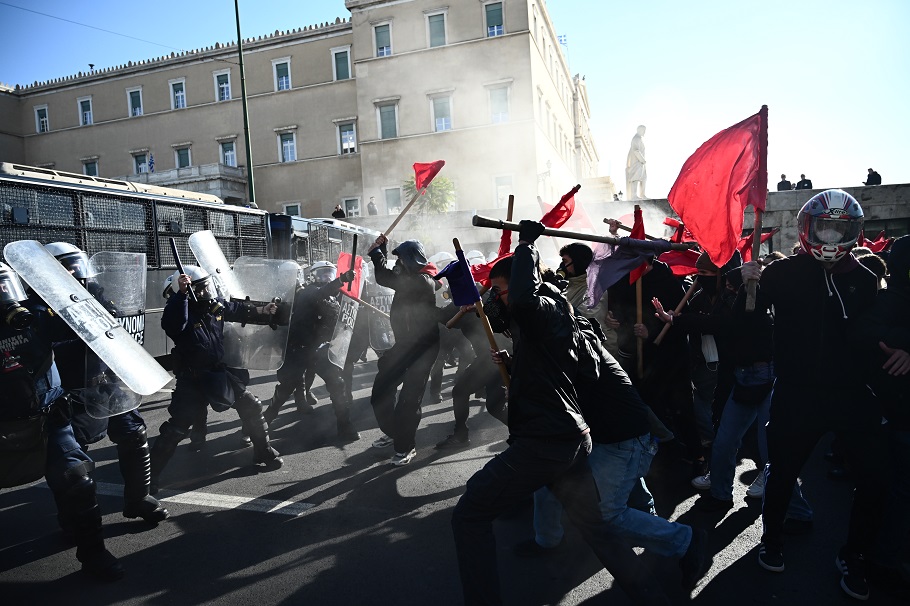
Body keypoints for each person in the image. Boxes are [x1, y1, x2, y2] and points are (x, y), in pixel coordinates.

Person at [451, 221, 691, 606]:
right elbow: (560, 365)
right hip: (567, 438)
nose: (498, 297)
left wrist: (526, 244)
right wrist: (516, 364)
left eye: (500, 290)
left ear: (522, 282)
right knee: (596, 527)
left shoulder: (541, 308)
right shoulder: (554, 316)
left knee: (470, 513)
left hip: (547, 440)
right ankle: (651, 595)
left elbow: (527, 304)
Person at [740, 189, 885, 600]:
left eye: (840, 229)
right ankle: (771, 539)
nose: (831, 238)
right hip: (796, 394)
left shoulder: (866, 277)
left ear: (854, 232)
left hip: (853, 395)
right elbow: (745, 327)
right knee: (782, 473)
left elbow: (885, 327)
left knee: (874, 479)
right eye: (824, 227)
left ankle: (855, 554)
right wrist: (746, 288)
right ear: (808, 228)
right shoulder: (781, 273)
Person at [0, 261, 124, 581]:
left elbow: (87, 320)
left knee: (77, 479)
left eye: (5, 288)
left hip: (49, 418)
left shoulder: (36, 316)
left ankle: (94, 552)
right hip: (5, 426)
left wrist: (74, 288)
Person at [44, 242, 168, 524]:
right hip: (70, 389)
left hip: (106, 383)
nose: (74, 272)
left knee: (134, 433)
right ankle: (72, 516)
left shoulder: (92, 293)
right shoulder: (41, 304)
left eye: (75, 265)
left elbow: (114, 320)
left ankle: (138, 499)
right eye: (66, 266)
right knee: (72, 459)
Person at [149, 265, 283, 493]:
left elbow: (236, 308)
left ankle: (263, 451)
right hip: (192, 380)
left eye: (206, 287)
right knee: (177, 429)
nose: (206, 293)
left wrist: (262, 310)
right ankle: (148, 478)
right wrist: (182, 294)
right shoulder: (181, 312)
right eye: (200, 289)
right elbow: (173, 323)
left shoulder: (212, 307)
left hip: (218, 372)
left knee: (251, 406)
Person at [853, 235, 910, 590]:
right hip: (897, 414)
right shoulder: (893, 299)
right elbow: (863, 334)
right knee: (895, 491)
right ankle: (878, 561)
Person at [262, 261, 359, 441]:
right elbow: (322, 292)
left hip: (320, 350)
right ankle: (261, 423)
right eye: (322, 274)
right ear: (312, 276)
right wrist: (342, 279)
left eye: (329, 273)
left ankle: (345, 426)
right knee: (285, 389)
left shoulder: (332, 296)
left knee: (337, 384)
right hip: (300, 349)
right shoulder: (309, 292)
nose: (326, 277)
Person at [367, 235, 440, 466]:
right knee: (380, 391)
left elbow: (384, 277)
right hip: (404, 345)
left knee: (409, 400)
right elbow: (389, 276)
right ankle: (395, 432)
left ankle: (405, 447)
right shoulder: (408, 277)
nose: (397, 265)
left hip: (423, 348)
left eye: (400, 261)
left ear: (411, 262)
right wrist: (383, 249)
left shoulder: (423, 281)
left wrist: (377, 254)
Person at [625, 125, 648, 200]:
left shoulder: (639, 139)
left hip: (641, 163)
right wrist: (642, 160)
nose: (644, 132)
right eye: (643, 130)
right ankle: (634, 195)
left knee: (644, 178)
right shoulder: (636, 138)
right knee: (635, 178)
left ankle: (642, 195)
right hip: (637, 162)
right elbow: (636, 150)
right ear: (639, 130)